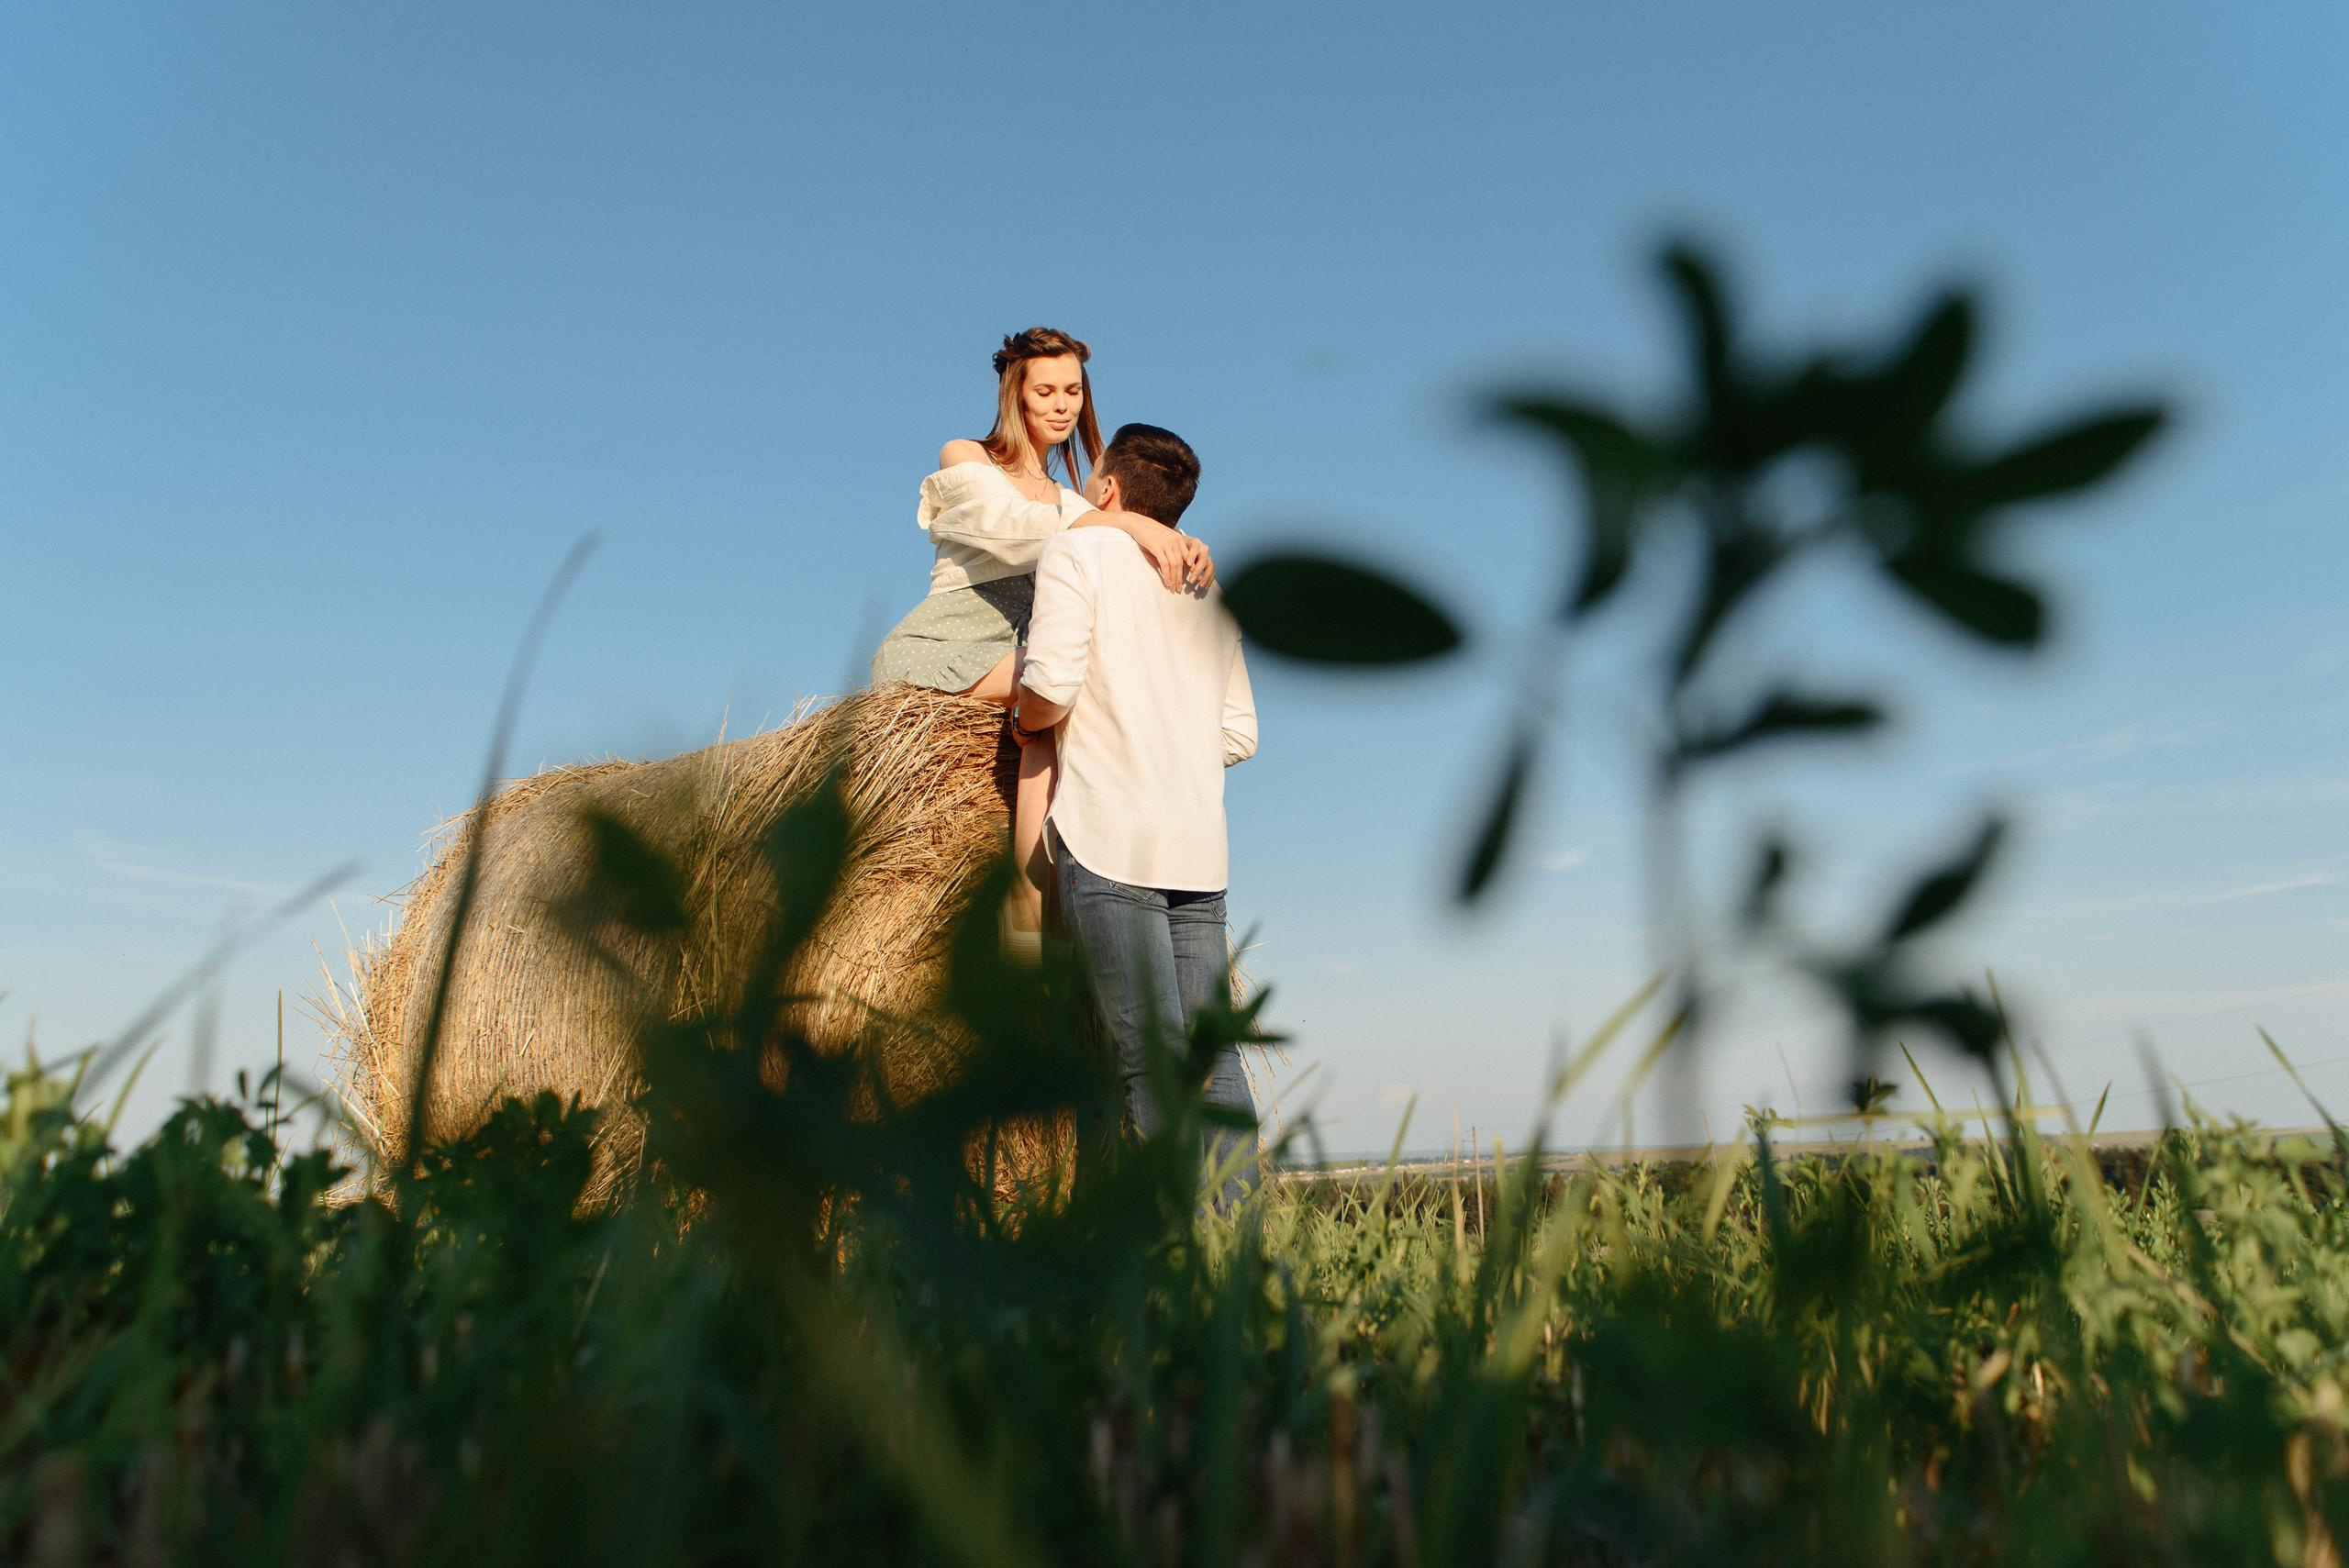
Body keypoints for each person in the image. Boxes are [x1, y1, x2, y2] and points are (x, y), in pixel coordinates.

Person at [871, 328, 1211, 954]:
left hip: (1033, 642)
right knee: (1061, 681)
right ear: (1015, 394)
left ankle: (1049, 894)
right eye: (1046, 391)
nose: (1062, 405)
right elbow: (1010, 530)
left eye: (1073, 391)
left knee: (1062, 694)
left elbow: (1108, 557)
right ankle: (1026, 909)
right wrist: (1128, 523)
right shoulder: (966, 457)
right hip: (951, 639)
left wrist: (1182, 544)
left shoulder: (1073, 499)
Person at [1010, 423, 1259, 1206]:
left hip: (1111, 840)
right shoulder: (1208, 590)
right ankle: (1239, 1242)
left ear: (1110, 488)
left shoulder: (1077, 552)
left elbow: (1050, 685)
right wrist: (1169, 740)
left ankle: (1178, 1244)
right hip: (1198, 850)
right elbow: (1240, 732)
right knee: (1215, 1059)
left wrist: (1022, 720)